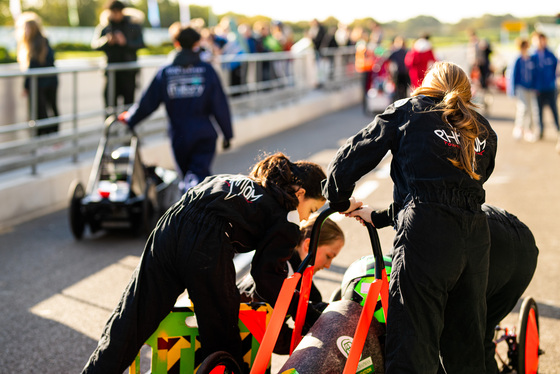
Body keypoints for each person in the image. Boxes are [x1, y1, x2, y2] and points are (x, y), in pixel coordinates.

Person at [80, 152, 327, 373]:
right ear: (301, 194)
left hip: (171, 224)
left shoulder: (241, 181)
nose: (309, 218)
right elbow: (266, 279)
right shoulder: (286, 217)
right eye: (314, 209)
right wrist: (307, 315)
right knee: (222, 340)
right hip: (207, 244)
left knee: (131, 319)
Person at [323, 61, 498, 373]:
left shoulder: (410, 110)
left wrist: (338, 199)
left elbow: (355, 153)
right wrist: (378, 216)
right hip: (475, 235)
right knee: (467, 344)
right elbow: (456, 192)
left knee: (413, 341)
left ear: (427, 83)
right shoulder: (482, 127)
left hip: (426, 236)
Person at [360, 203, 539, 374]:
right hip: (513, 238)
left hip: (485, 241)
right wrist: (377, 216)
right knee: (476, 333)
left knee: (465, 340)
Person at [120, 26, 233, 192]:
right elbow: (220, 105)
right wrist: (227, 134)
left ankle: (188, 206)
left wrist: (131, 118)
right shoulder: (207, 71)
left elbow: (148, 102)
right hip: (204, 133)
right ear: (196, 43)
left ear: (176, 43)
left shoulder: (165, 71)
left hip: (179, 136)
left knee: (189, 176)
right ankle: (194, 207)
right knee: (198, 177)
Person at [238, 215, 345, 354]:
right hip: (240, 330)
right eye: (329, 256)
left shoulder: (299, 275)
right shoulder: (280, 270)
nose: (328, 265)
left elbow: (315, 304)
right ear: (308, 245)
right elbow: (277, 341)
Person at [91, 0, 145, 111]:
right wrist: (107, 41)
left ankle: (127, 126)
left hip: (128, 72)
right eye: (113, 11)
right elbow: (94, 45)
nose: (115, 14)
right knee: (110, 104)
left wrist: (125, 42)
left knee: (128, 104)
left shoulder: (133, 26)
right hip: (111, 72)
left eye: (118, 11)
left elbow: (141, 44)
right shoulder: (105, 27)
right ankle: (111, 126)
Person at [15, 12, 59, 136]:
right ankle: (53, 136)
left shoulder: (35, 43)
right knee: (51, 110)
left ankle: (45, 137)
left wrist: (25, 86)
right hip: (49, 81)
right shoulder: (43, 40)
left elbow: (32, 66)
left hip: (41, 83)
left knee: (41, 112)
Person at [530, 32, 560, 145]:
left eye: (542, 40)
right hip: (538, 89)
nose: (540, 42)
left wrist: (553, 81)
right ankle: (540, 131)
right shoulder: (532, 56)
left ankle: (558, 130)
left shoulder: (550, 54)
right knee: (538, 111)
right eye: (538, 40)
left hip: (551, 88)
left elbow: (556, 69)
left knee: (554, 110)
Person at [507, 37, 538, 142]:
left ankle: (528, 129)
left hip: (530, 87)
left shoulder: (531, 58)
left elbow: (534, 74)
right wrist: (511, 91)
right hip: (521, 87)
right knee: (523, 107)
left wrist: (535, 86)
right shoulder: (517, 59)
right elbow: (513, 75)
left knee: (531, 109)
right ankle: (519, 127)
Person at [387, 35, 410, 101]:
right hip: (405, 73)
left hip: (398, 73)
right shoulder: (407, 51)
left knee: (397, 90)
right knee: (405, 90)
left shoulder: (395, 52)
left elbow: (388, 61)